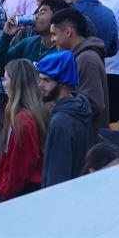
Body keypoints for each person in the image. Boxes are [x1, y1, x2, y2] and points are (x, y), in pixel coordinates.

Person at [46, 6, 108, 131]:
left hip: (85, 140)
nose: (52, 40)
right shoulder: (77, 58)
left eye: (54, 34)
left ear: (68, 32)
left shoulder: (87, 60)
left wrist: (58, 104)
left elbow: (94, 104)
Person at [36, 51, 91, 189]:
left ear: (64, 84)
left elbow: (57, 176)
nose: (40, 85)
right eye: (40, 78)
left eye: (47, 80)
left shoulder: (61, 122)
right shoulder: (81, 106)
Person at [0, 57, 45, 200]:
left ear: (16, 82)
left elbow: (19, 168)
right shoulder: (34, 113)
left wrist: (5, 191)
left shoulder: (23, 121)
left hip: (21, 195)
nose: (3, 84)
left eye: (5, 79)